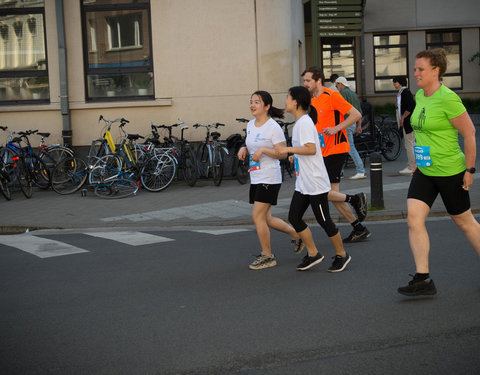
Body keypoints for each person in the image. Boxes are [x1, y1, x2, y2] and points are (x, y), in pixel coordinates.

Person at [398, 49, 480, 296]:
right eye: (415, 69)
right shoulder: (420, 96)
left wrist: (469, 169)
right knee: (413, 218)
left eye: (421, 69)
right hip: (425, 171)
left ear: (436, 70)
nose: (416, 73)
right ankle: (423, 279)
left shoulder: (449, 98)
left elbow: (469, 134)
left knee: (465, 223)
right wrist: (418, 164)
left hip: (450, 171)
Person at [279, 86, 350, 272]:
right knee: (294, 216)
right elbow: (307, 150)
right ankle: (313, 253)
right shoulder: (300, 122)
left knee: (324, 220)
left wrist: (289, 150)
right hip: (304, 182)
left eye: (287, 97)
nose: (285, 101)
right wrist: (295, 155)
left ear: (296, 101)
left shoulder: (304, 123)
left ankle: (342, 255)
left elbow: (310, 149)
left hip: (315, 183)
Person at [302, 66, 370, 243]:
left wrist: (336, 128)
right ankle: (358, 227)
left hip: (335, 149)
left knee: (323, 192)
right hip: (319, 152)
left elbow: (356, 114)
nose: (305, 84)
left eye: (308, 80)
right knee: (332, 194)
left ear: (318, 81)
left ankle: (356, 200)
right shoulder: (309, 100)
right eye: (304, 81)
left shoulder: (331, 96)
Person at [237, 90, 303, 270]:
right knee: (267, 218)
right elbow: (250, 143)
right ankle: (297, 235)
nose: (252, 105)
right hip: (256, 175)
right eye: (251, 101)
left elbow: (282, 153)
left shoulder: (273, 127)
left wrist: (264, 151)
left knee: (257, 216)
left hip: (270, 176)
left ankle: (268, 256)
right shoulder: (251, 125)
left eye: (257, 102)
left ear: (266, 106)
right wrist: (244, 148)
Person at [335, 76, 366, 179]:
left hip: (345, 123)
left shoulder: (343, 94)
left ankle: (360, 170)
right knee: (344, 147)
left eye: (337, 85)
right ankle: (340, 171)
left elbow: (340, 110)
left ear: (341, 84)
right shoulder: (353, 94)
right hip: (352, 123)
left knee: (348, 147)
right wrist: (359, 125)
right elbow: (359, 111)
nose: (337, 87)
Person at [393, 76, 416, 175]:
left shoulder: (405, 92)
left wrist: (402, 118)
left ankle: (412, 166)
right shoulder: (401, 92)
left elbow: (411, 106)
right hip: (407, 122)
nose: (394, 84)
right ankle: (413, 165)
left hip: (407, 123)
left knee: (409, 144)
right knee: (410, 144)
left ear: (401, 82)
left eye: (395, 82)